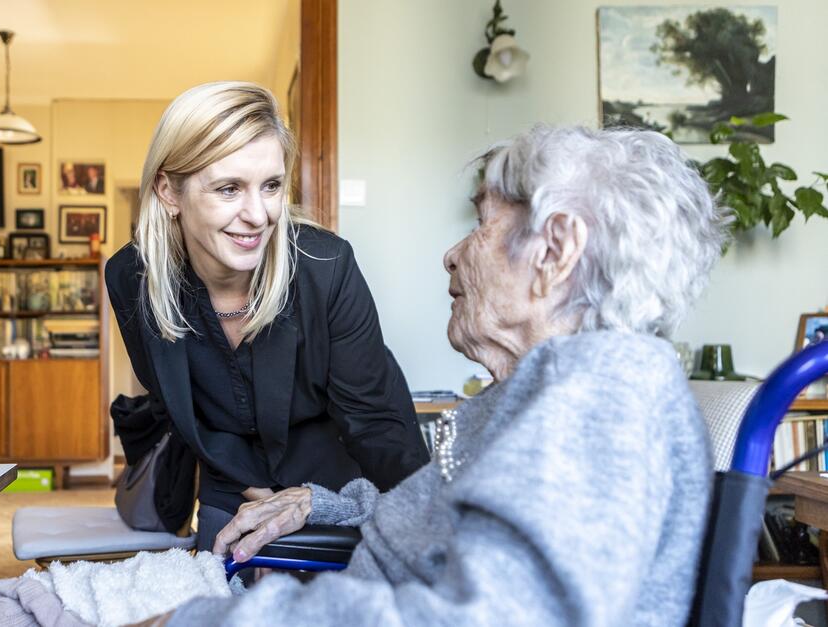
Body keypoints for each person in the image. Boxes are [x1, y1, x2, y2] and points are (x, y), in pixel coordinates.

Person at [160, 126, 729, 626]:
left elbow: (493, 617)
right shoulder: (541, 391)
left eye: (482, 223)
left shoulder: (595, 404)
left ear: (556, 250)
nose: (452, 255)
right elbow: (438, 517)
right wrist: (315, 503)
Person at [105, 82, 429, 551]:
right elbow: (174, 408)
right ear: (169, 191)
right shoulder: (130, 277)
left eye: (271, 186)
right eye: (229, 188)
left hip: (338, 478)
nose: (257, 215)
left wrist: (422, 512)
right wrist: (250, 490)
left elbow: (375, 423)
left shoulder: (327, 268)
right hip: (230, 477)